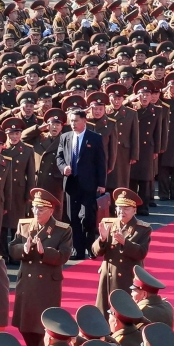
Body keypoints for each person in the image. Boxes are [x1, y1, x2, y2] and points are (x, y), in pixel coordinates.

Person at [9, 189, 73, 346]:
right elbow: (12, 249)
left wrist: (45, 252)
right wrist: (23, 249)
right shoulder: (24, 225)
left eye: (41, 209)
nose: (36, 212)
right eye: (34, 207)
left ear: (51, 210)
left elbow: (63, 256)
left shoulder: (62, 230)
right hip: (27, 284)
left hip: (46, 286)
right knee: (25, 326)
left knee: (43, 326)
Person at [56, 109, 107, 260]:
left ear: (84, 121)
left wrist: (101, 183)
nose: (73, 124)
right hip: (71, 183)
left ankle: (91, 247)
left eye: (76, 120)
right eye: (71, 121)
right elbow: (59, 157)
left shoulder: (95, 138)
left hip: (89, 184)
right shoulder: (65, 137)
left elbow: (101, 162)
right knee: (73, 218)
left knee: (87, 217)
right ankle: (77, 250)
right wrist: (63, 167)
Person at [92, 188, 152, 310]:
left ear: (134, 210)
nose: (121, 211)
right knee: (104, 313)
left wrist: (125, 242)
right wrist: (102, 240)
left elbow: (141, 253)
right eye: (119, 208)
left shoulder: (142, 229)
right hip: (108, 277)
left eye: (126, 208)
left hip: (126, 278)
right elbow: (95, 251)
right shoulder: (109, 224)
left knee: (124, 312)